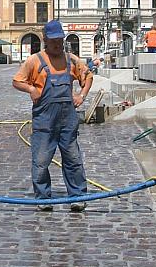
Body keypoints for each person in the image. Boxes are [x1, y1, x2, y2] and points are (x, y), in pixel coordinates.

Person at [12, 20, 94, 212]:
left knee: (73, 159)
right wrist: (31, 89)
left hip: (67, 119)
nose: (58, 44)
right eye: (54, 41)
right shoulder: (35, 61)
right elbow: (17, 81)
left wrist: (81, 95)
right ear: (46, 41)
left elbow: (88, 76)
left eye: (60, 40)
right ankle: (43, 198)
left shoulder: (71, 60)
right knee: (41, 161)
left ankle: (78, 196)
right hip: (44, 120)